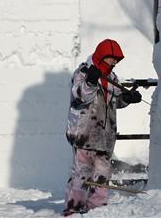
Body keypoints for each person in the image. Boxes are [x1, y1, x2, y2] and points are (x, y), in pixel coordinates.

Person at [63, 39, 142, 215]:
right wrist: (90, 82)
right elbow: (81, 97)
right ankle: (73, 210)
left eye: (116, 59)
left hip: (105, 137)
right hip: (85, 134)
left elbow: (114, 102)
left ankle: (96, 212)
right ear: (101, 56)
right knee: (81, 176)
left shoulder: (112, 78)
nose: (114, 62)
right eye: (111, 58)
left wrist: (127, 99)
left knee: (101, 178)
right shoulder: (83, 73)